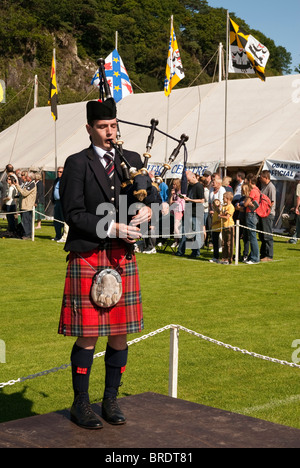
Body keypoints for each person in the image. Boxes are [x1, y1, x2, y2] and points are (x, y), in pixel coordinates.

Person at [58, 98, 151, 430]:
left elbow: (149, 196)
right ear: (89, 129)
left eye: (113, 125)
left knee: (119, 334)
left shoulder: (133, 159)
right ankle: (80, 402)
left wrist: (148, 211)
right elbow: (72, 213)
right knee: (88, 336)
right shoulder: (77, 163)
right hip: (89, 254)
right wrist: (112, 227)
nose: (109, 132)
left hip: (122, 255)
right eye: (102, 127)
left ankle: (111, 399)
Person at [176, 171, 204, 258]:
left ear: (193, 177)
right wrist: (184, 198)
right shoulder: (190, 186)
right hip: (188, 211)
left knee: (195, 234)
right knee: (184, 232)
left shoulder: (199, 186)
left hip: (196, 213)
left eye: (188, 180)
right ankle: (180, 251)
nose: (188, 182)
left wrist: (190, 200)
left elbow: (202, 200)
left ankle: (196, 252)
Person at [257, 170, 276, 261]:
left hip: (268, 214)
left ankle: (269, 256)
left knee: (267, 235)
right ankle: (263, 254)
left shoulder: (271, 187)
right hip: (262, 214)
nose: (260, 179)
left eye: (261, 177)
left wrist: (265, 210)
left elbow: (272, 202)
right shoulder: (263, 186)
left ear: (266, 177)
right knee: (262, 235)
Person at [243, 174, 260, 264]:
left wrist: (246, 202)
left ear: (250, 181)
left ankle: (255, 258)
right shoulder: (257, 190)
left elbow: (246, 204)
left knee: (252, 237)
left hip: (251, 214)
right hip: (253, 214)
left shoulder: (253, 191)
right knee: (252, 236)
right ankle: (252, 256)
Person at [15, 171, 37, 239]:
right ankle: (28, 233)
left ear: (29, 178)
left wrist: (17, 186)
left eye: (27, 176)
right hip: (25, 205)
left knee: (26, 221)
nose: (25, 177)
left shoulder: (32, 184)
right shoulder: (28, 184)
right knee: (26, 220)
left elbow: (24, 193)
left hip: (27, 206)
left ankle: (27, 234)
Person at [219, 192, 235, 264]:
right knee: (224, 243)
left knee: (229, 243)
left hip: (229, 226)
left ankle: (229, 258)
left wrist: (221, 216)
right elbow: (222, 213)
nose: (223, 199)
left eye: (224, 198)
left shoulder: (231, 207)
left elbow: (227, 217)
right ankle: (224, 258)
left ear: (228, 199)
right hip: (224, 226)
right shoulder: (224, 206)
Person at [169, 178, 185, 247]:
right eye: (173, 184)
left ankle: (181, 241)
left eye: (175, 184)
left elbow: (179, 201)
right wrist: (172, 195)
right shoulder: (174, 193)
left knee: (176, 227)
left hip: (179, 210)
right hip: (174, 211)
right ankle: (176, 241)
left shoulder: (181, 192)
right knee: (176, 227)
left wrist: (173, 202)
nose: (173, 186)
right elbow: (170, 202)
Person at [51, 166, 65, 241]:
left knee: (63, 220)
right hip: (56, 202)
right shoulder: (56, 180)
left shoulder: (65, 180)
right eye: (58, 172)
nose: (59, 173)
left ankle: (64, 236)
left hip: (63, 202)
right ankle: (57, 235)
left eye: (60, 172)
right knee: (56, 220)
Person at [209, 199, 222, 263]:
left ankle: (216, 257)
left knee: (216, 243)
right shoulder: (215, 211)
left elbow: (219, 219)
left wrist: (213, 224)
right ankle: (215, 256)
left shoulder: (218, 211)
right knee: (215, 243)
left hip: (217, 228)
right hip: (215, 228)